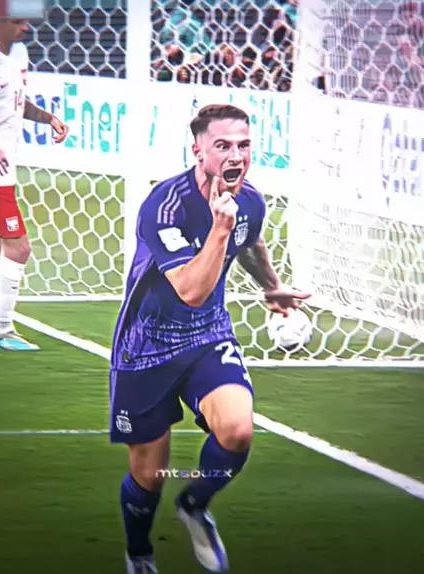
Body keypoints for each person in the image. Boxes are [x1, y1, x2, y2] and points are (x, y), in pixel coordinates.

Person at [109, 104, 311, 573]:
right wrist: (220, 228)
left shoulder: (250, 201)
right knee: (149, 475)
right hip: (146, 347)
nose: (236, 155)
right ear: (198, 151)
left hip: (207, 336)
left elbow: (249, 239)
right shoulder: (164, 206)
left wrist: (271, 286)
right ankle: (139, 553)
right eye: (223, 145)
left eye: (244, 145)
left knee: (237, 431)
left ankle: (195, 504)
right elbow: (191, 290)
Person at [0, 18, 68, 350]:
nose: (25, 28)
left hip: (1, 172)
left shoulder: (19, 55)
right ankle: (4, 331)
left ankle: (4, 331)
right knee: (19, 246)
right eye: (17, 22)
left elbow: (17, 105)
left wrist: (48, 118)